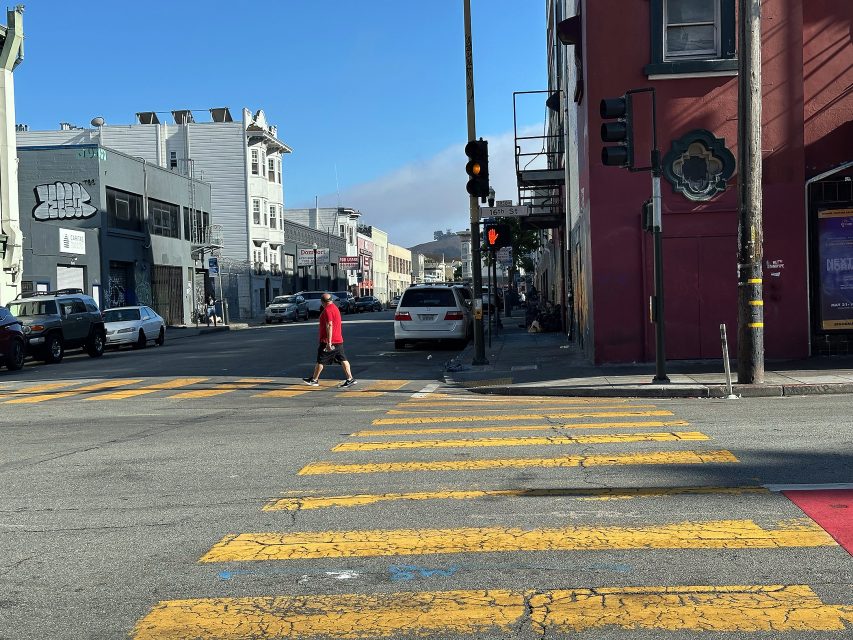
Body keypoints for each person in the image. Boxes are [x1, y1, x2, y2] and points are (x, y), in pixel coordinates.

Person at [303, 293, 357, 387]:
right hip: (338, 339)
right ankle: (350, 378)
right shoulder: (335, 308)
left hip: (329, 341)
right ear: (331, 300)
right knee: (342, 359)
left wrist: (329, 342)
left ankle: (314, 380)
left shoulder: (327, 310)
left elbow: (329, 325)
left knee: (321, 360)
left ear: (322, 302)